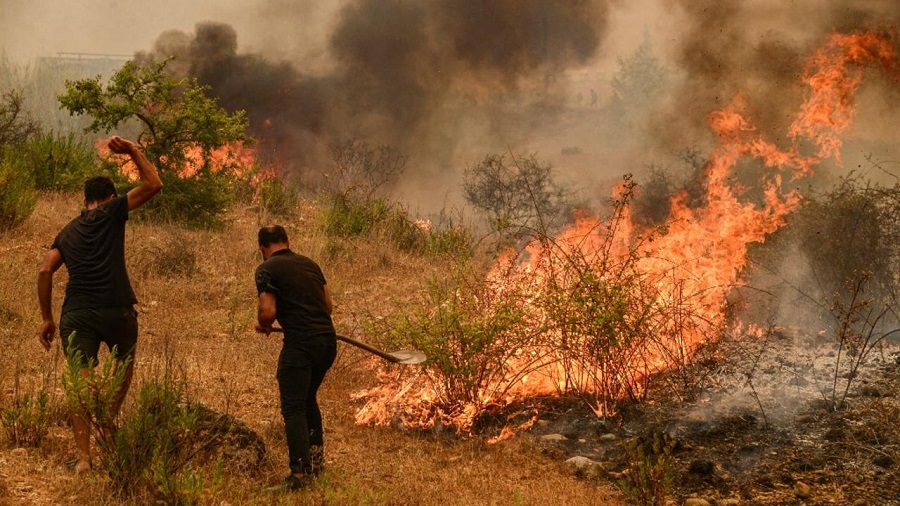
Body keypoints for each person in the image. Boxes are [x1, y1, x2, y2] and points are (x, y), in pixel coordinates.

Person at [37, 136, 163, 473]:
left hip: (77, 314)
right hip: (117, 309)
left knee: (81, 383)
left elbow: (45, 270)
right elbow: (154, 184)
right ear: (109, 198)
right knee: (124, 367)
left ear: (84, 200)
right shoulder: (113, 211)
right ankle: (107, 420)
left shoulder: (67, 231)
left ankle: (83, 459)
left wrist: (47, 319)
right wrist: (135, 150)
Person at [254, 225, 337, 491]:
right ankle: (316, 464)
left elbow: (267, 312)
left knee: (293, 408)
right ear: (288, 241)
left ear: (262, 248)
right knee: (307, 399)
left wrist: (263, 323)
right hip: (327, 342)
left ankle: (299, 475)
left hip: (301, 345)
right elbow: (328, 307)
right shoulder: (310, 264)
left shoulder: (267, 269)